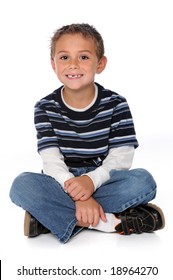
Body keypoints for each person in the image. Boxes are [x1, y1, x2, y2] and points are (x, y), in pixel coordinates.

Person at [9, 23, 165, 243]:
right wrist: (78, 193)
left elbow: (121, 159)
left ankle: (49, 218)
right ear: (53, 64)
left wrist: (90, 182)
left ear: (100, 64)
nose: (73, 64)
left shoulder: (116, 104)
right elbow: (52, 162)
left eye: (83, 57)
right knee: (21, 185)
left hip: (103, 177)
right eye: (64, 58)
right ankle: (105, 222)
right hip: (62, 181)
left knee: (143, 182)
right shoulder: (45, 107)